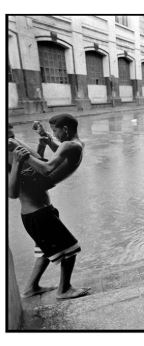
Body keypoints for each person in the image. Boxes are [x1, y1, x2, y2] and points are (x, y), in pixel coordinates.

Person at [8, 114, 90, 300]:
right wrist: (21, 157)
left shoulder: (17, 155)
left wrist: (40, 146)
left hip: (44, 210)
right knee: (70, 249)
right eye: (9, 138)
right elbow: (13, 192)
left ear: (65, 130)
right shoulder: (11, 161)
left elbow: (43, 166)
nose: (13, 141)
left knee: (45, 252)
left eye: (13, 137)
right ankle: (64, 290)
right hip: (36, 214)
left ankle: (31, 287)